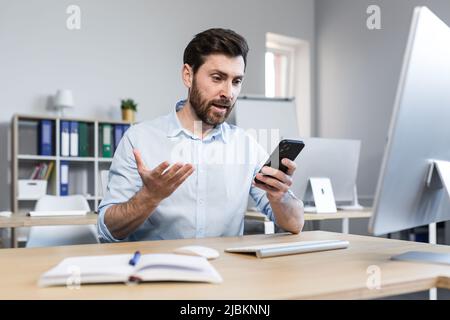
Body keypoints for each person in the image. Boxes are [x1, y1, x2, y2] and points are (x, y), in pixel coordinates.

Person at [97, 28, 304, 242]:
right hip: (156, 270)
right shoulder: (139, 139)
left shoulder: (246, 145)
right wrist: (149, 197)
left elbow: (295, 224)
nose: (228, 93)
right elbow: (107, 231)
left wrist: (280, 197)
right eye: (217, 78)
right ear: (188, 75)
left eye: (236, 81)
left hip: (227, 272)